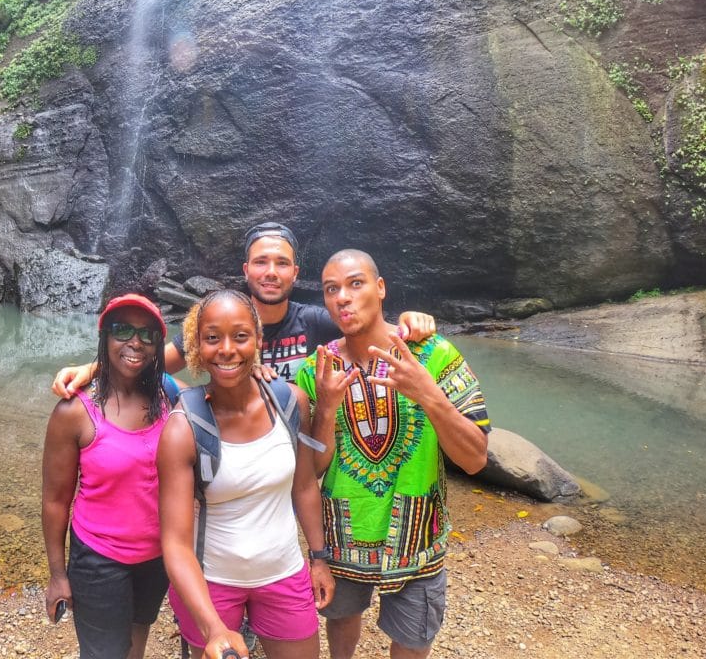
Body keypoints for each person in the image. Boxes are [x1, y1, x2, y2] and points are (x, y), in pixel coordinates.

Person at [295, 249, 491, 659]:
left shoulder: (435, 355)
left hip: (417, 540)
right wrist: (328, 407)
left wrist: (428, 394)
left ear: (380, 288)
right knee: (341, 623)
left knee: (413, 640)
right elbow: (310, 473)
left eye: (355, 283)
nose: (343, 298)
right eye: (332, 290)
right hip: (342, 539)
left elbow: (475, 458)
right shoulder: (317, 370)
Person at [51, 222, 436, 394]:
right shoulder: (220, 323)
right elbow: (151, 366)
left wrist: (407, 321)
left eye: (282, 263)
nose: (271, 272)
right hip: (232, 433)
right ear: (245, 270)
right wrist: (92, 369)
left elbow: (369, 330)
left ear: (295, 273)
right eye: (261, 262)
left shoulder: (316, 322)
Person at [157, 289, 335, 659]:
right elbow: (174, 542)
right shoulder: (182, 428)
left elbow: (303, 486)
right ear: (196, 346)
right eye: (212, 338)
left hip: (284, 573)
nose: (227, 349)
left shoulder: (288, 402)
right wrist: (213, 628)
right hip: (211, 585)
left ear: (257, 340)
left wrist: (319, 558)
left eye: (240, 336)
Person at [41, 293, 180, 659]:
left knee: (136, 643)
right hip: (100, 560)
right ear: (104, 337)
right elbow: (55, 501)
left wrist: (260, 369)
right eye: (122, 330)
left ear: (157, 345)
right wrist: (58, 576)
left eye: (147, 335)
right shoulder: (74, 411)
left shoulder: (169, 395)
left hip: (156, 556)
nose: (135, 342)